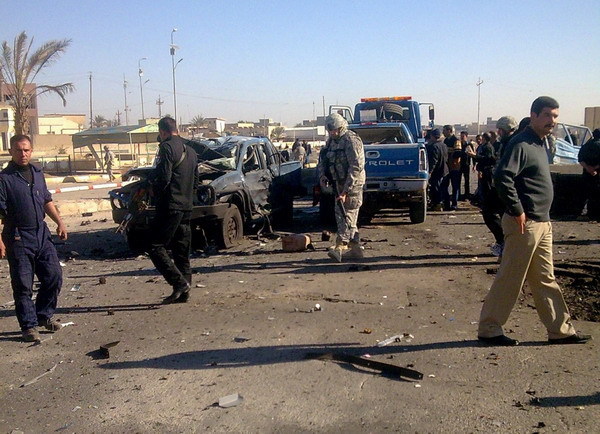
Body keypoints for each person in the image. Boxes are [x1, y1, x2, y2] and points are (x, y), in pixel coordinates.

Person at [477, 96, 591, 346]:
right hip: (524, 223)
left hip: (542, 222)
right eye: (548, 115)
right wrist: (517, 210)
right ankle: (489, 328)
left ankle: (560, 330)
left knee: (544, 278)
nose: (553, 121)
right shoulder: (521, 143)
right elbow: (502, 177)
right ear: (534, 115)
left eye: (556, 116)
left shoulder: (541, 143)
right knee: (511, 277)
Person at [0, 135, 67, 342]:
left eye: (27, 150)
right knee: (23, 285)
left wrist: (60, 222)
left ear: (31, 150)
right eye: (19, 150)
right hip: (18, 236)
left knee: (54, 276)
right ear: (11, 151)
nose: (23, 154)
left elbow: (46, 200)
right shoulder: (4, 179)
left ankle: (43, 315)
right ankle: (28, 326)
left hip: (41, 233)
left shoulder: (37, 173)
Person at [147, 117, 198, 304]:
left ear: (162, 132)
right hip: (186, 206)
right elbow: (196, 181)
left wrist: (153, 191)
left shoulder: (166, 148)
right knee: (181, 250)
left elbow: (164, 177)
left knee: (155, 246)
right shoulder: (191, 151)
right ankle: (185, 291)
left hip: (170, 205)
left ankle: (179, 283)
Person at [318, 113, 365, 262]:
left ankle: (340, 246)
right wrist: (322, 176)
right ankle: (355, 248)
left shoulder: (351, 140)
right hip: (338, 184)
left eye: (335, 130)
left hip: (352, 185)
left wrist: (346, 190)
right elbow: (323, 160)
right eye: (330, 130)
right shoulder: (332, 141)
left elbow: (356, 167)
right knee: (343, 215)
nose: (332, 133)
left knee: (347, 214)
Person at [578, 128, 600, 221]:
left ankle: (583, 213)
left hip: (587, 173)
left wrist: (588, 168)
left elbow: (580, 159)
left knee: (585, 193)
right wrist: (595, 168)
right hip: (598, 174)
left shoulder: (586, 145)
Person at [425, 128, 448, 212]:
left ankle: (437, 205)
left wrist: (430, 171)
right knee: (443, 188)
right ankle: (445, 204)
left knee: (436, 189)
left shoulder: (434, 146)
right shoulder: (443, 145)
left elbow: (434, 160)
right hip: (444, 170)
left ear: (432, 136)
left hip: (437, 171)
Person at [459, 131, 475, 200]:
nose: (462, 137)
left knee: (467, 180)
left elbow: (473, 155)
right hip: (459, 165)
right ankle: (459, 195)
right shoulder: (459, 144)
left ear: (466, 136)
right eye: (461, 136)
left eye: (463, 136)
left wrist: (474, 165)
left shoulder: (469, 144)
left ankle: (467, 195)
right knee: (458, 180)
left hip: (466, 164)